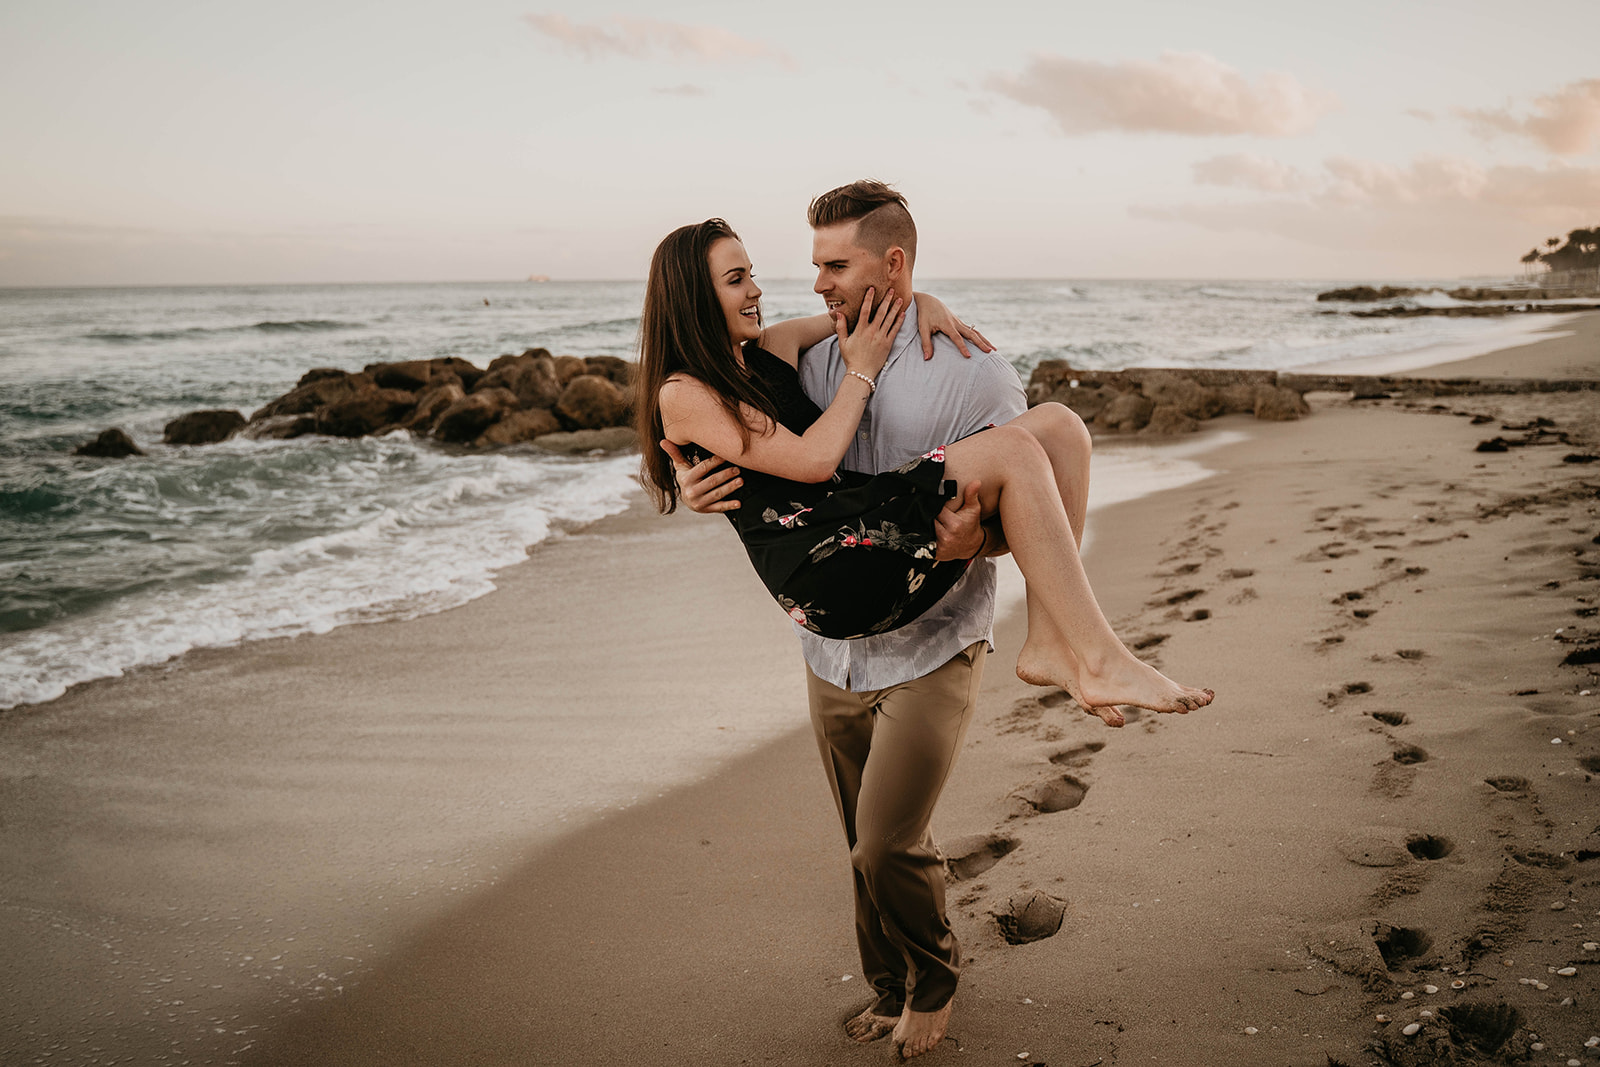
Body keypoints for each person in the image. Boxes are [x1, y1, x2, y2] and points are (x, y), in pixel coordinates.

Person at [641, 184, 1213, 1059]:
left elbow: (995, 510)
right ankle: (1073, 648)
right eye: (739, 277)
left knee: (1052, 427)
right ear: (693, 294)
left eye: (825, 267)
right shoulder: (700, 386)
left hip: (902, 605)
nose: (778, 288)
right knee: (870, 847)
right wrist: (863, 367)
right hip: (832, 590)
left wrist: (920, 307)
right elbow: (816, 455)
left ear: (894, 267)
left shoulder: (779, 352)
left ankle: (1070, 643)